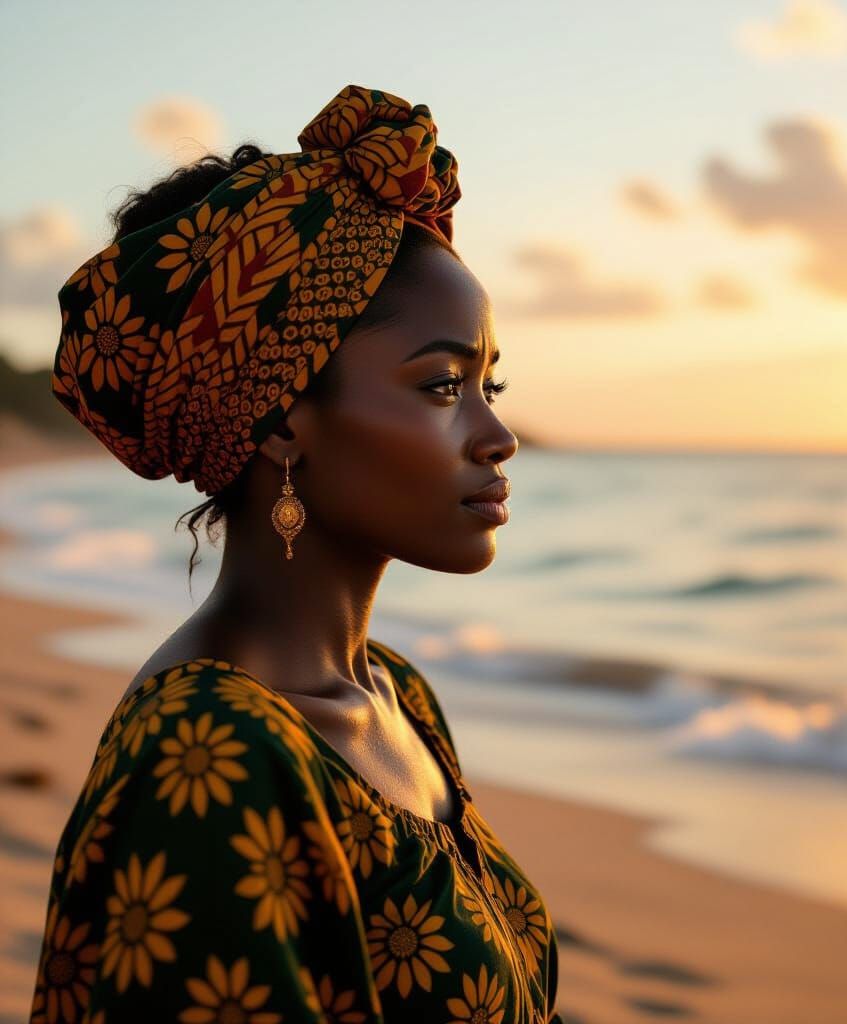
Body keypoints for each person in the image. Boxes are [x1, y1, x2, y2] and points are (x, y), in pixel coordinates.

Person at [28, 83, 563, 1023]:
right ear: (279, 419)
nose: (497, 435)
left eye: (492, 382)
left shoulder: (394, 693)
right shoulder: (205, 756)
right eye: (443, 385)